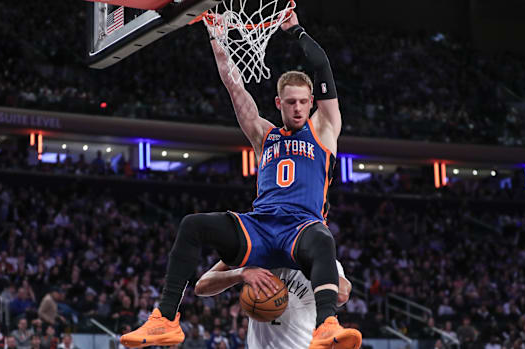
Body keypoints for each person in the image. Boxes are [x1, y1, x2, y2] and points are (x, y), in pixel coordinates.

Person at [120, 11, 362, 349]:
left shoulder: (324, 130)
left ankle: (326, 326)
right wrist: (218, 42)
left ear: (311, 104)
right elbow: (235, 87)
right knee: (192, 225)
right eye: (290, 102)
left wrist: (296, 31)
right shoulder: (264, 135)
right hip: (261, 228)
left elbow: (323, 70)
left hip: (300, 229)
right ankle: (165, 318)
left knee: (323, 239)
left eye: (304, 102)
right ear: (278, 103)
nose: (297, 108)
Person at [194, 260, 351, 349]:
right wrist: (241, 273)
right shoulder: (256, 252)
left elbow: (342, 294)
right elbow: (201, 286)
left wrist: (311, 261)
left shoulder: (321, 258)